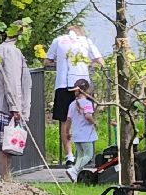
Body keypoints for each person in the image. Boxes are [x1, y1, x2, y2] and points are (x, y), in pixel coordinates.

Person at [43, 21, 104, 168]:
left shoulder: (58, 40)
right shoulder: (86, 41)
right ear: (81, 32)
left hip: (63, 84)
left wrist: (60, 63)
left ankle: (69, 156)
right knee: (86, 116)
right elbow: (101, 61)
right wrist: (88, 65)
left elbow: (46, 61)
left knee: (65, 120)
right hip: (83, 85)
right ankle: (85, 154)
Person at [0, 31, 30, 181]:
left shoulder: (2, 49)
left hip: (0, 102)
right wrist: (15, 106)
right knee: (5, 143)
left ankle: (7, 177)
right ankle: (6, 178)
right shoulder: (10, 51)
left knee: (7, 143)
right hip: (4, 103)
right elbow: (12, 79)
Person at [66, 78, 99, 180]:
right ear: (87, 90)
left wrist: (67, 132)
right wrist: (95, 122)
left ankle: (75, 175)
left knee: (80, 155)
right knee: (88, 155)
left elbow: (68, 120)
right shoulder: (87, 103)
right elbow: (88, 116)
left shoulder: (72, 104)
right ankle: (74, 170)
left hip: (76, 133)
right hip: (86, 134)